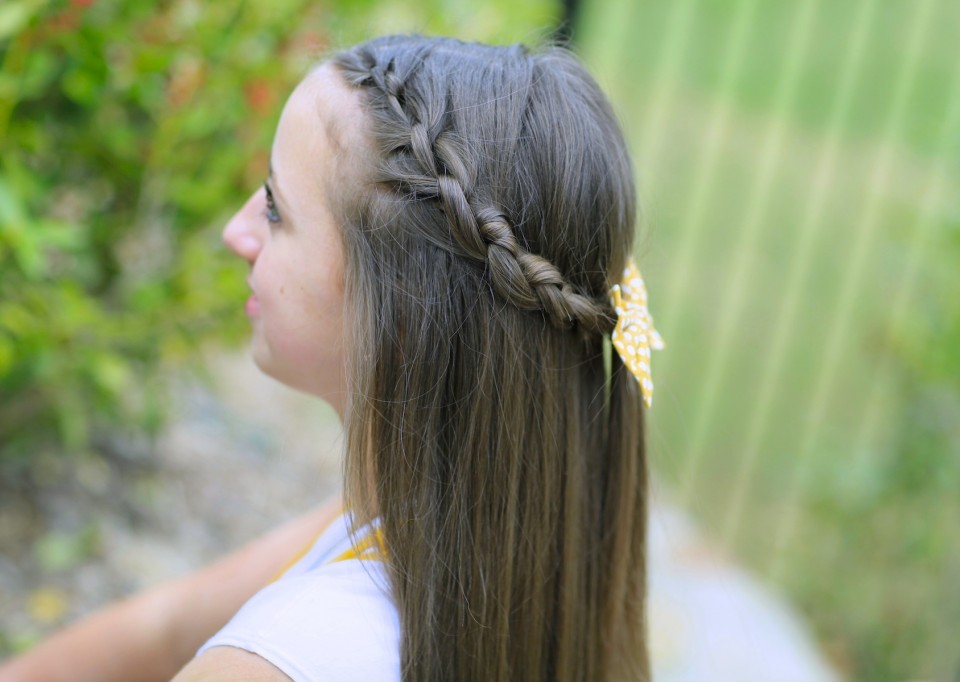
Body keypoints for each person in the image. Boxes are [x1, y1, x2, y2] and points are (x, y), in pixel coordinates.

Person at [1, 35, 661, 681]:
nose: (237, 232)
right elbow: (166, 627)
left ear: (396, 309)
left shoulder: (277, 658)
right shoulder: (508, 531)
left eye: (274, 207)